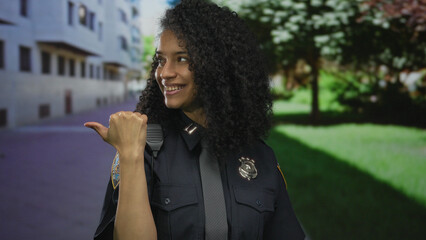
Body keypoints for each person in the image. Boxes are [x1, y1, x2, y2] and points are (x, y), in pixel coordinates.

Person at [85, 0, 305, 239]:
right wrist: (130, 155)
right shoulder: (145, 150)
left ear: (218, 65)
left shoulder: (261, 156)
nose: (165, 73)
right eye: (161, 60)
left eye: (181, 59)